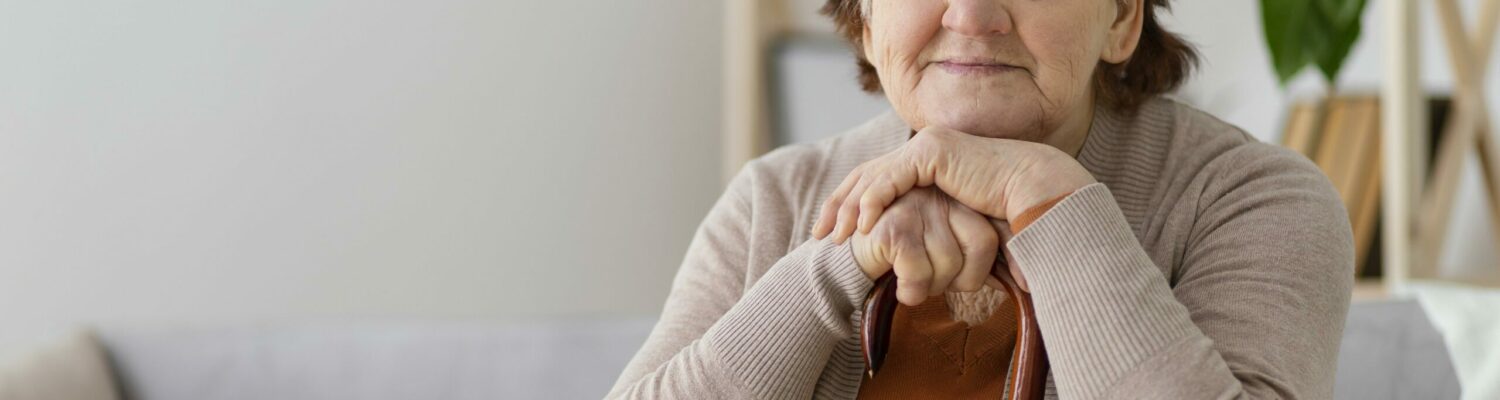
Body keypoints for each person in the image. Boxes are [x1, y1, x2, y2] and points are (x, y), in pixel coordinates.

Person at [608, 0, 1353, 398]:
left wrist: (1050, 201)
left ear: (1123, 17)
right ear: (866, 18)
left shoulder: (1254, 200)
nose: (972, 13)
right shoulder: (773, 199)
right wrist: (835, 264)